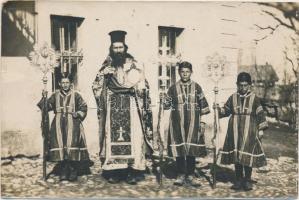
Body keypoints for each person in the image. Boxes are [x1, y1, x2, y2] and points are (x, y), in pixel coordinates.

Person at [92, 30, 153, 185]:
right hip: (113, 106)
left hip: (132, 106)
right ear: (111, 48)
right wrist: (103, 78)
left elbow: (143, 85)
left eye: (120, 47)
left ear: (125, 47)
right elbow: (96, 86)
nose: (118, 50)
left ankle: (133, 171)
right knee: (112, 137)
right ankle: (116, 171)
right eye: (115, 47)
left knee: (134, 137)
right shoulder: (106, 65)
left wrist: (138, 90)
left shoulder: (134, 64)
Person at [216, 72, 268, 191]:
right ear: (237, 85)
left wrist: (261, 129)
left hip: (250, 130)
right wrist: (218, 109)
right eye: (240, 85)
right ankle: (239, 179)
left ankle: (248, 180)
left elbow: (260, 114)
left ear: (249, 85)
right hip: (234, 129)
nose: (243, 88)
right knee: (237, 154)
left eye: (245, 85)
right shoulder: (233, 97)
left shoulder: (254, 98)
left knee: (247, 155)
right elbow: (227, 110)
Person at [161, 61, 210, 187]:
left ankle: (191, 174)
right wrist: (163, 98)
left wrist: (203, 122)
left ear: (191, 72)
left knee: (191, 149)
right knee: (180, 149)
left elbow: (203, 106)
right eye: (182, 72)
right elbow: (166, 106)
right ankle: (181, 174)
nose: (185, 74)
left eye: (187, 72)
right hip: (177, 123)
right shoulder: (173, 88)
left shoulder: (197, 87)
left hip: (194, 123)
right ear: (179, 72)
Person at [38, 75, 90, 182]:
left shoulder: (76, 95)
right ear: (59, 84)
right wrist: (44, 97)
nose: (65, 84)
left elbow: (84, 107)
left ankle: (73, 170)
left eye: (67, 82)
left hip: (73, 124)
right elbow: (46, 107)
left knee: (72, 145)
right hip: (58, 125)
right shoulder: (55, 95)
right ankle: (64, 170)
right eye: (63, 82)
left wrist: (78, 114)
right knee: (61, 146)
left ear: (70, 83)